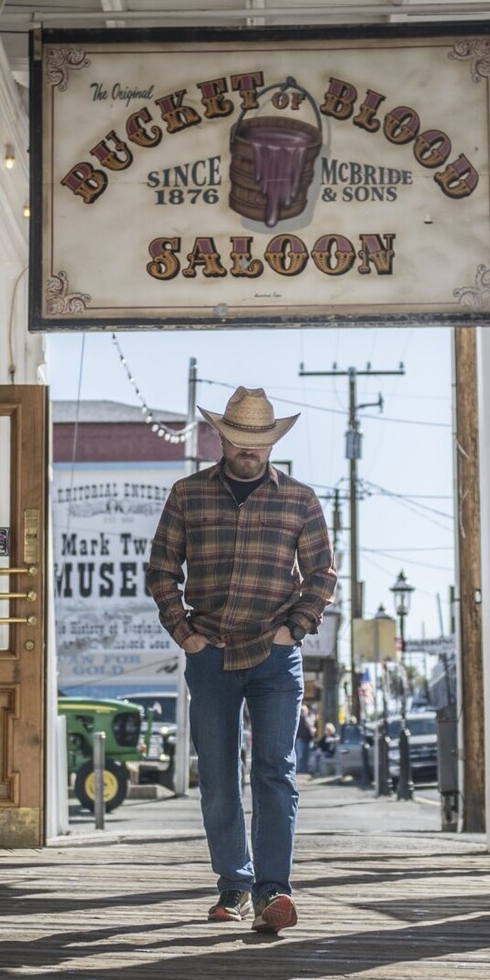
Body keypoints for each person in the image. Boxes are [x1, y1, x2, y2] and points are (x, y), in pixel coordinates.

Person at [147, 386, 337, 933]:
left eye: (258, 441)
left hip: (276, 657)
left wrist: (292, 629)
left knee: (275, 770)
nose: (247, 450)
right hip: (209, 651)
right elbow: (162, 570)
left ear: (272, 443)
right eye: (238, 439)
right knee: (219, 775)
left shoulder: (300, 500)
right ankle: (234, 885)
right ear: (222, 437)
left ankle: (273, 889)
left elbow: (322, 575)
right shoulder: (188, 495)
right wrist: (184, 634)